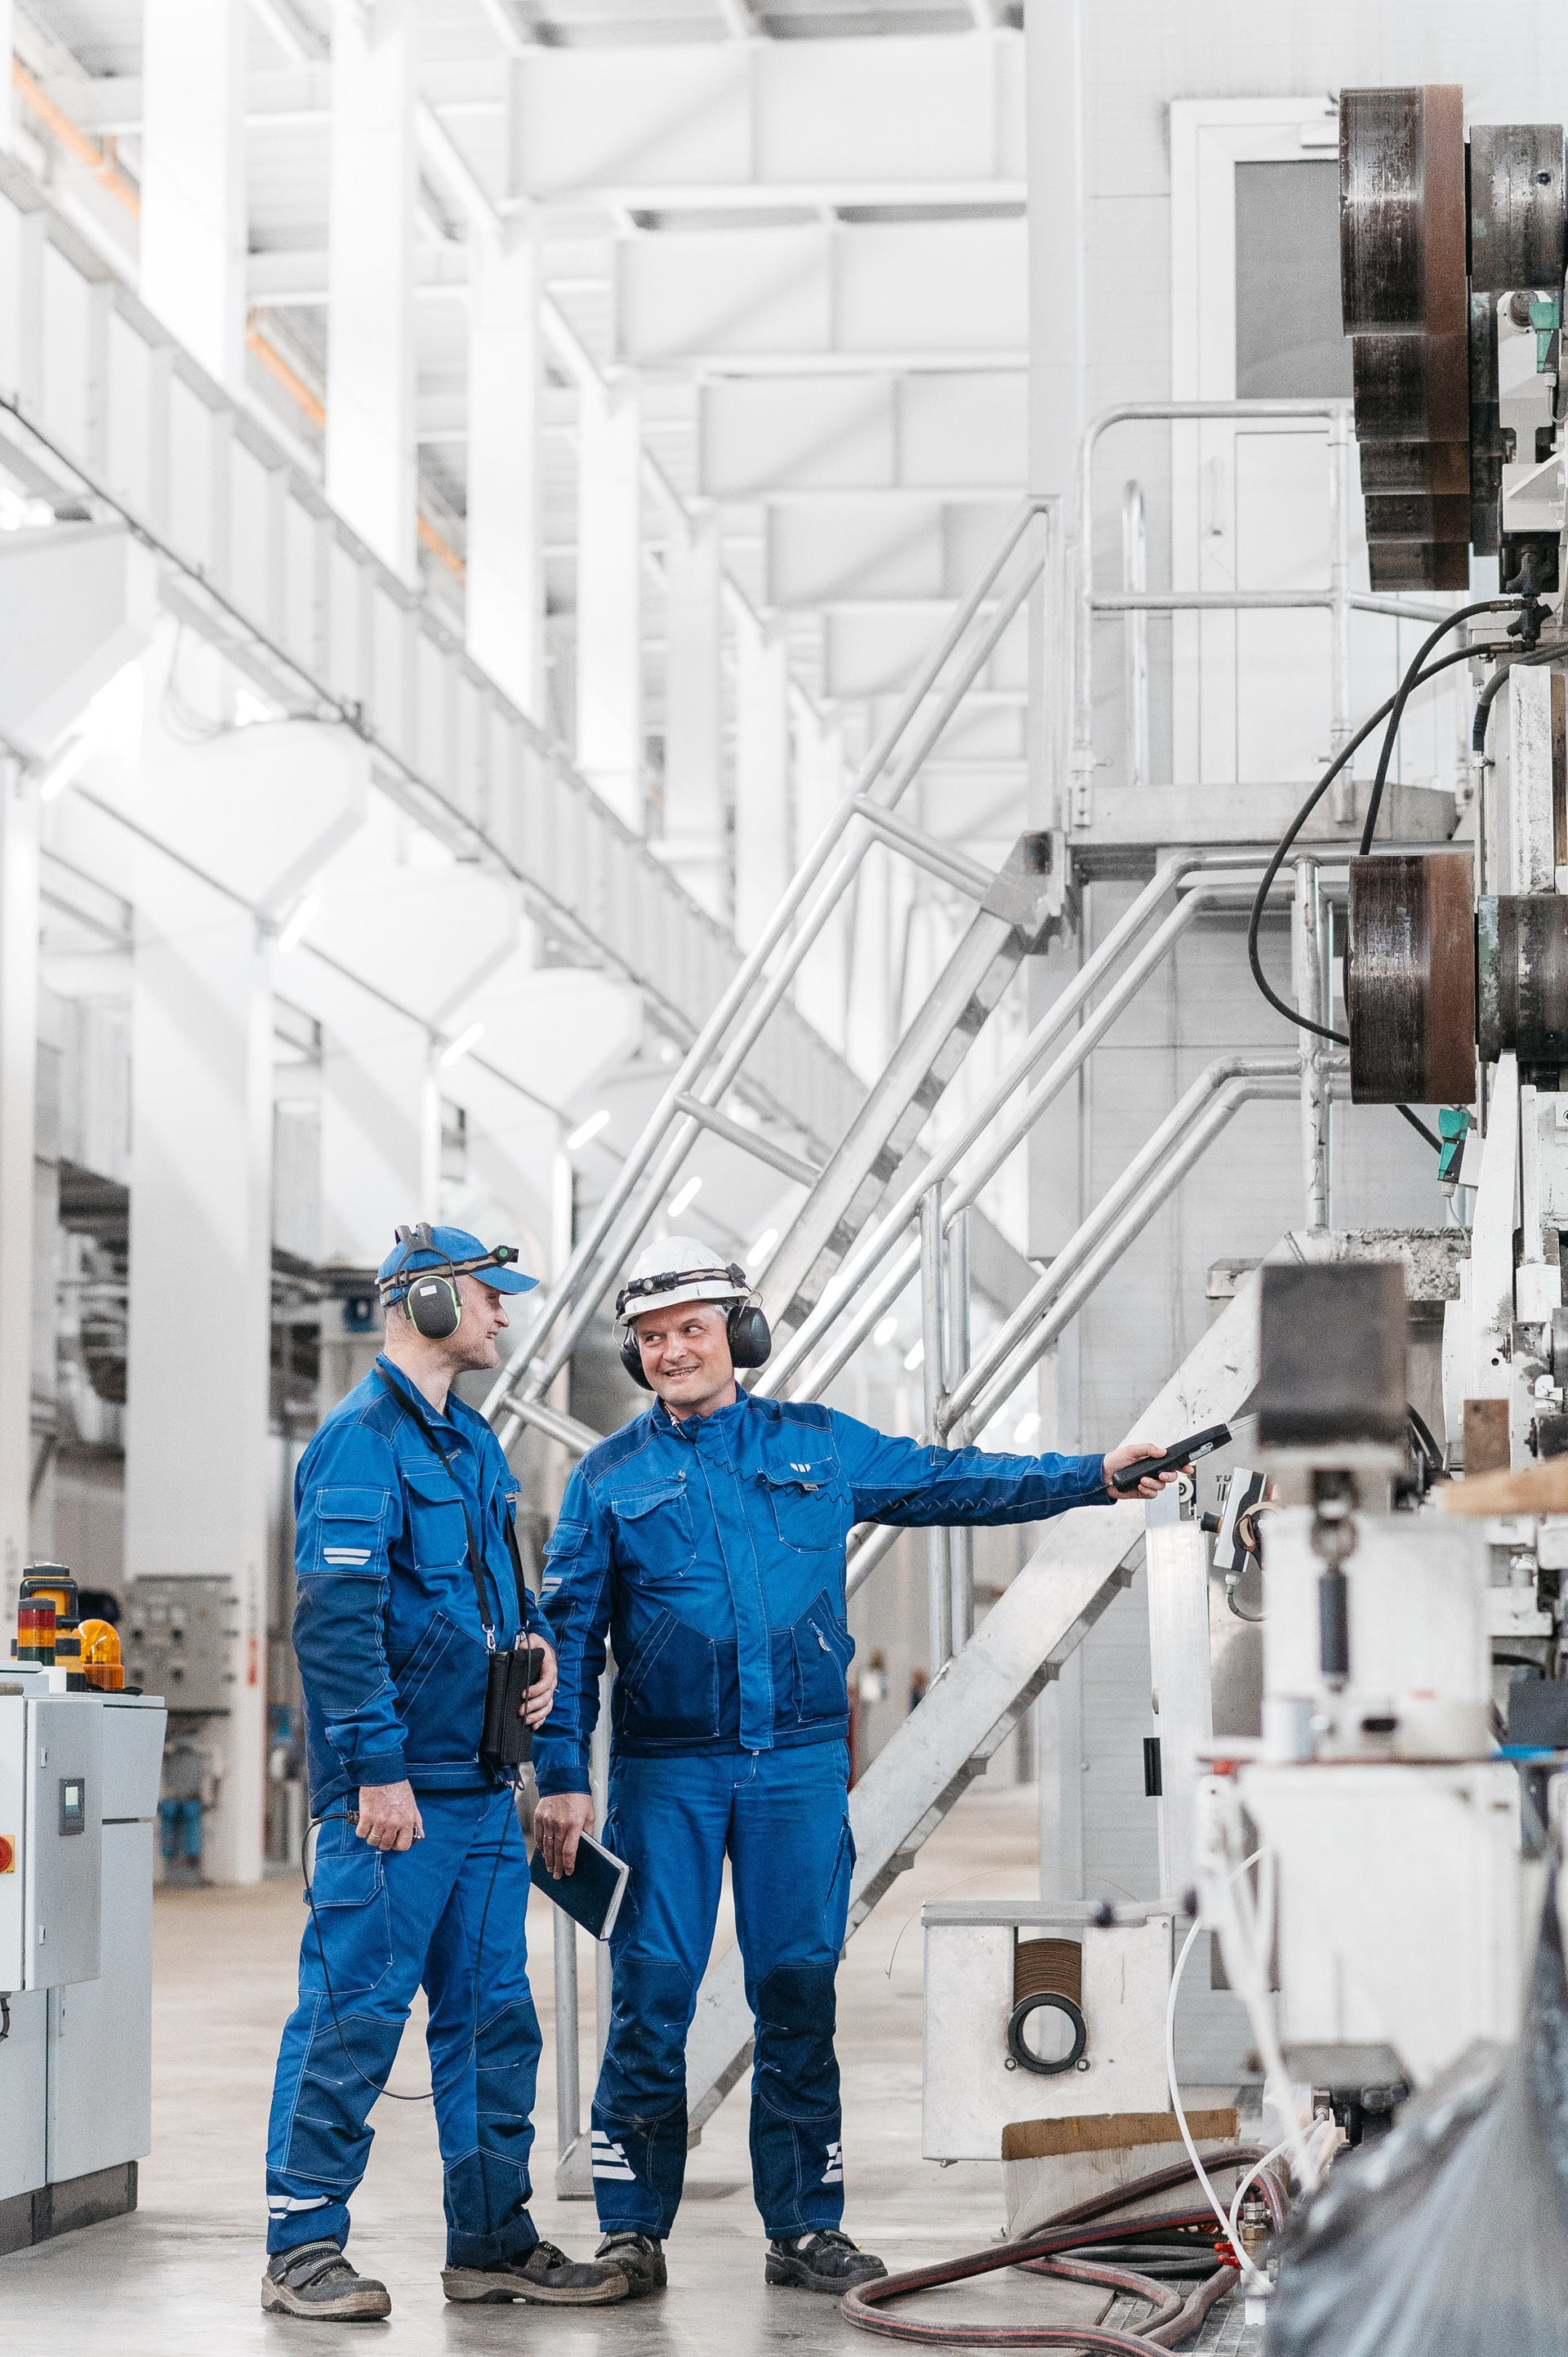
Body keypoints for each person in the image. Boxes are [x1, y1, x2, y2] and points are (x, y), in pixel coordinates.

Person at [532, 1236, 1182, 2302]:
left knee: (797, 1990)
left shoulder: (819, 1446)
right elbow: (569, 1635)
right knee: (652, 1997)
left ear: (739, 1334)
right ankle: (630, 2230)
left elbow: (953, 1479)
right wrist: (563, 1772)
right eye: (650, 1338)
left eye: (692, 1328)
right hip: (667, 1776)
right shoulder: (608, 1479)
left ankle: (805, 2227)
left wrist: (1094, 1475)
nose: (672, 1351)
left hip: (794, 1771)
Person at [262, 1223, 630, 2322]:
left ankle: (491, 2243)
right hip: (396, 1801)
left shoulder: (473, 1444)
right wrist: (375, 1772)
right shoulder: (358, 1443)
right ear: (425, 1301)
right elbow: (337, 1626)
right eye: (487, 1294)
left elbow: (499, 1594)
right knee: (353, 2016)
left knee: (494, 2023)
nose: (503, 1312)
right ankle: (300, 2245)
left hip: (478, 1794)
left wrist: (536, 1649)